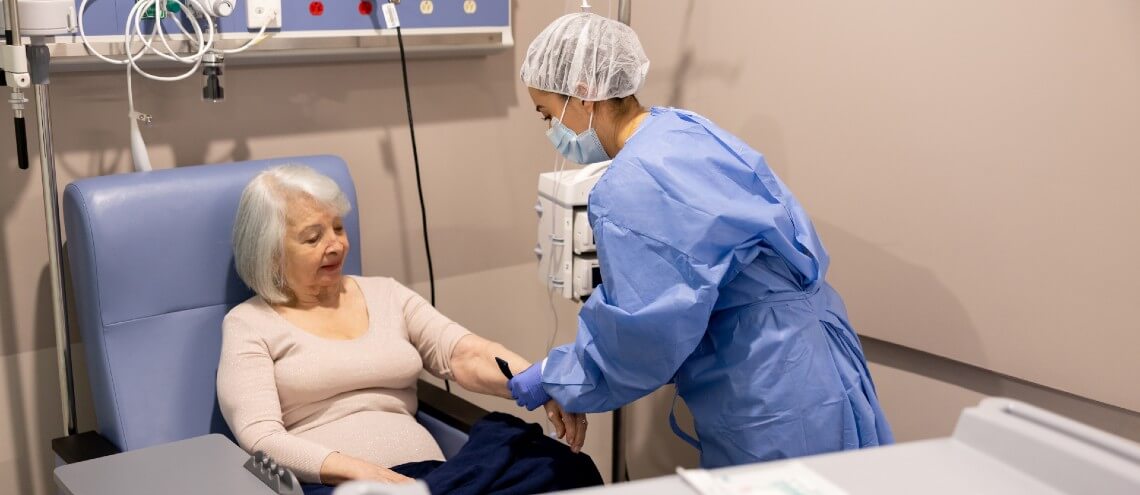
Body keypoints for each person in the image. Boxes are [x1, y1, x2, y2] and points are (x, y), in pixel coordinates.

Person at [506, 12, 894, 468]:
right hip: (817, 354)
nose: (551, 131)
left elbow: (642, 333)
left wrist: (559, 375)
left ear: (584, 92)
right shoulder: (683, 130)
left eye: (548, 113)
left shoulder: (632, 186)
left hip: (770, 385)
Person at [217, 165, 596, 494]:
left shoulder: (386, 293)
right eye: (313, 237)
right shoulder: (250, 324)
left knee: (561, 467)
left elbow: (462, 353)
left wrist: (539, 381)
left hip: (441, 480)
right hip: (338, 486)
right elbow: (262, 439)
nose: (335, 245)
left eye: (338, 227)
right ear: (271, 252)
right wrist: (368, 476)